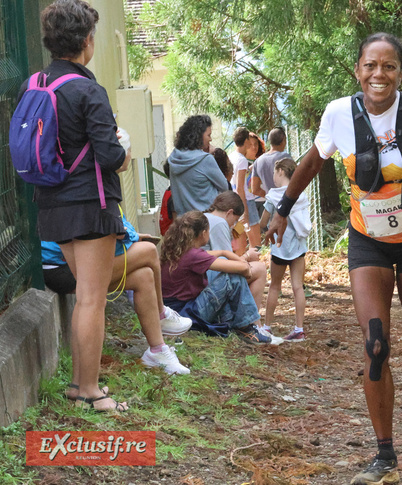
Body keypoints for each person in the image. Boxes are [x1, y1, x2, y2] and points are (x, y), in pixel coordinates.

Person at [265, 33, 402, 485]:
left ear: (401, 72)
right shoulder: (338, 114)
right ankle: (385, 455)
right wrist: (282, 209)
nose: (378, 75)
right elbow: (311, 163)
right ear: (358, 69)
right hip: (368, 242)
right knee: (375, 345)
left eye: (388, 66)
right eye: (370, 65)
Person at [21, 0, 132, 412]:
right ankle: (89, 390)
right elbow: (109, 156)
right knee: (92, 298)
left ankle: (77, 384)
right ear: (86, 40)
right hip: (90, 203)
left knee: (85, 297)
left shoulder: (33, 84)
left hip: (51, 203)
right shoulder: (88, 89)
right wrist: (126, 150)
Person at [42, 225, 192, 377]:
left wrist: (129, 234)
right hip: (61, 266)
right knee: (149, 250)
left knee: (144, 276)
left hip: (67, 262)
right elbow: (110, 229)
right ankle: (161, 316)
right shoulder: (98, 200)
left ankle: (157, 351)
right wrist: (131, 236)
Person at [160, 211, 273, 344]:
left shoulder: (178, 249)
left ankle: (237, 322)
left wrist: (225, 252)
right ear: (203, 233)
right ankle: (245, 328)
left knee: (225, 263)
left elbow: (219, 254)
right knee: (231, 277)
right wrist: (246, 267)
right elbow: (241, 269)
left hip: (176, 311)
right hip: (187, 314)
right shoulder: (194, 255)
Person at [202, 191, 269, 333]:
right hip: (209, 281)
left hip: (203, 276)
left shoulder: (206, 217)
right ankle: (253, 325)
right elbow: (227, 264)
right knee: (260, 269)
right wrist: (246, 256)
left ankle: (251, 323)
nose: (234, 225)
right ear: (229, 212)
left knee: (253, 268)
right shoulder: (219, 223)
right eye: (235, 220)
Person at [261, 158, 311, 342]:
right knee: (298, 286)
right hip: (298, 246)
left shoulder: (274, 195)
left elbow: (263, 222)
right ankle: (299, 329)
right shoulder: (301, 195)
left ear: (281, 171)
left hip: (280, 248)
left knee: (275, 286)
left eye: (274, 172)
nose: (273, 177)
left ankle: (266, 327)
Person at [167, 115, 229, 215]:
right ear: (199, 136)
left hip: (184, 221)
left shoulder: (173, 159)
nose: (210, 139)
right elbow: (225, 187)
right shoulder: (205, 159)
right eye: (209, 135)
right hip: (206, 220)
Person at [228, 127, 261, 249]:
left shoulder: (231, 156)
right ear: (246, 141)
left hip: (233, 201)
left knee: (239, 238)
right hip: (246, 201)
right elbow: (240, 187)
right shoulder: (242, 160)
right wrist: (245, 212)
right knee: (256, 242)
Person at [252, 127, 290, 197]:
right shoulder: (285, 158)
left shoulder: (258, 161)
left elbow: (255, 190)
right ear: (283, 141)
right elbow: (295, 181)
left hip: (270, 204)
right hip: (287, 202)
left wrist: (270, 196)